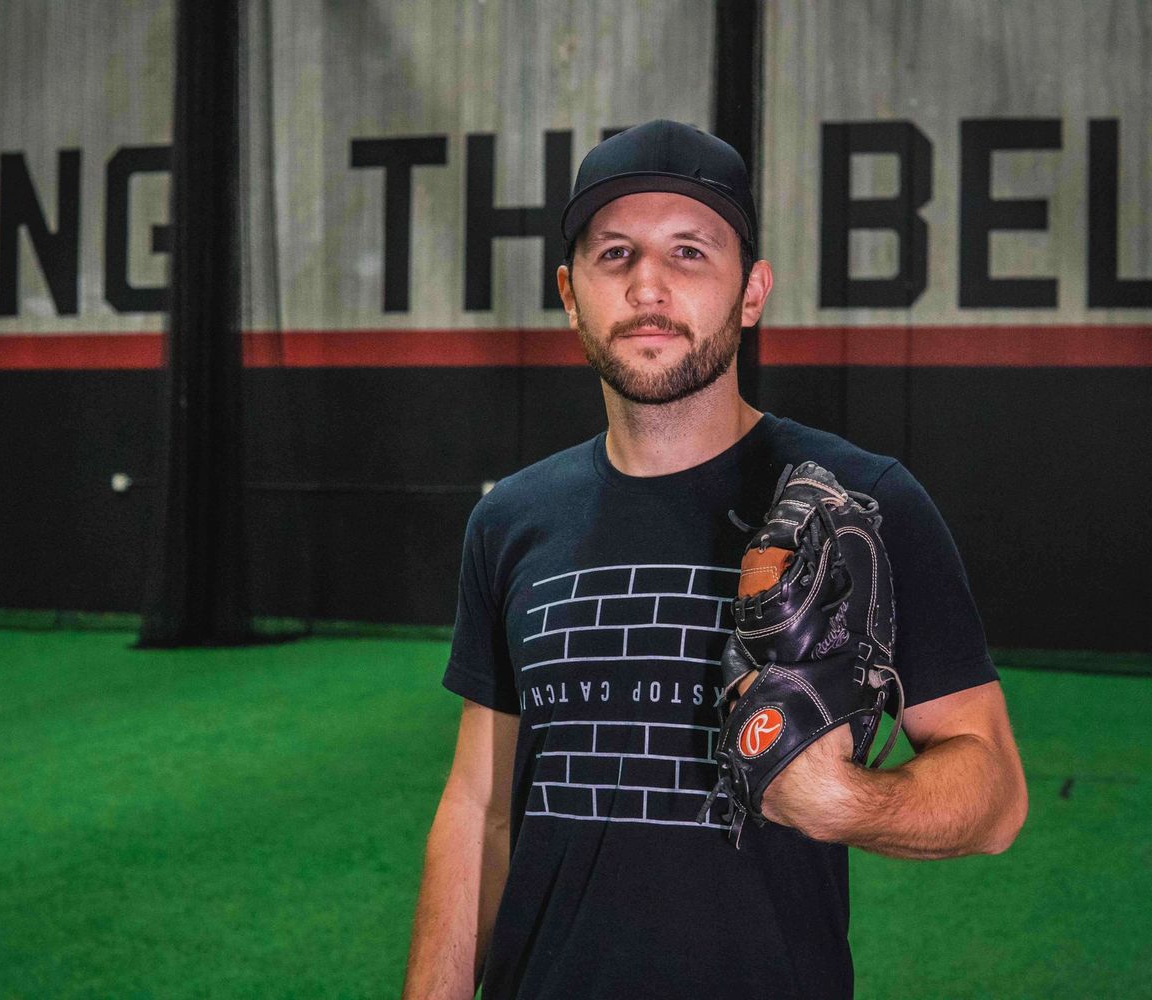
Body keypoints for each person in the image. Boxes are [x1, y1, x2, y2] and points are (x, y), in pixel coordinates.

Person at [402, 120, 1027, 1000]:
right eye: (615, 254)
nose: (647, 285)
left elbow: (994, 792)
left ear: (752, 292)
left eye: (689, 253)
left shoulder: (860, 501)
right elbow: (481, 808)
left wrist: (843, 803)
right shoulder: (510, 521)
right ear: (571, 294)